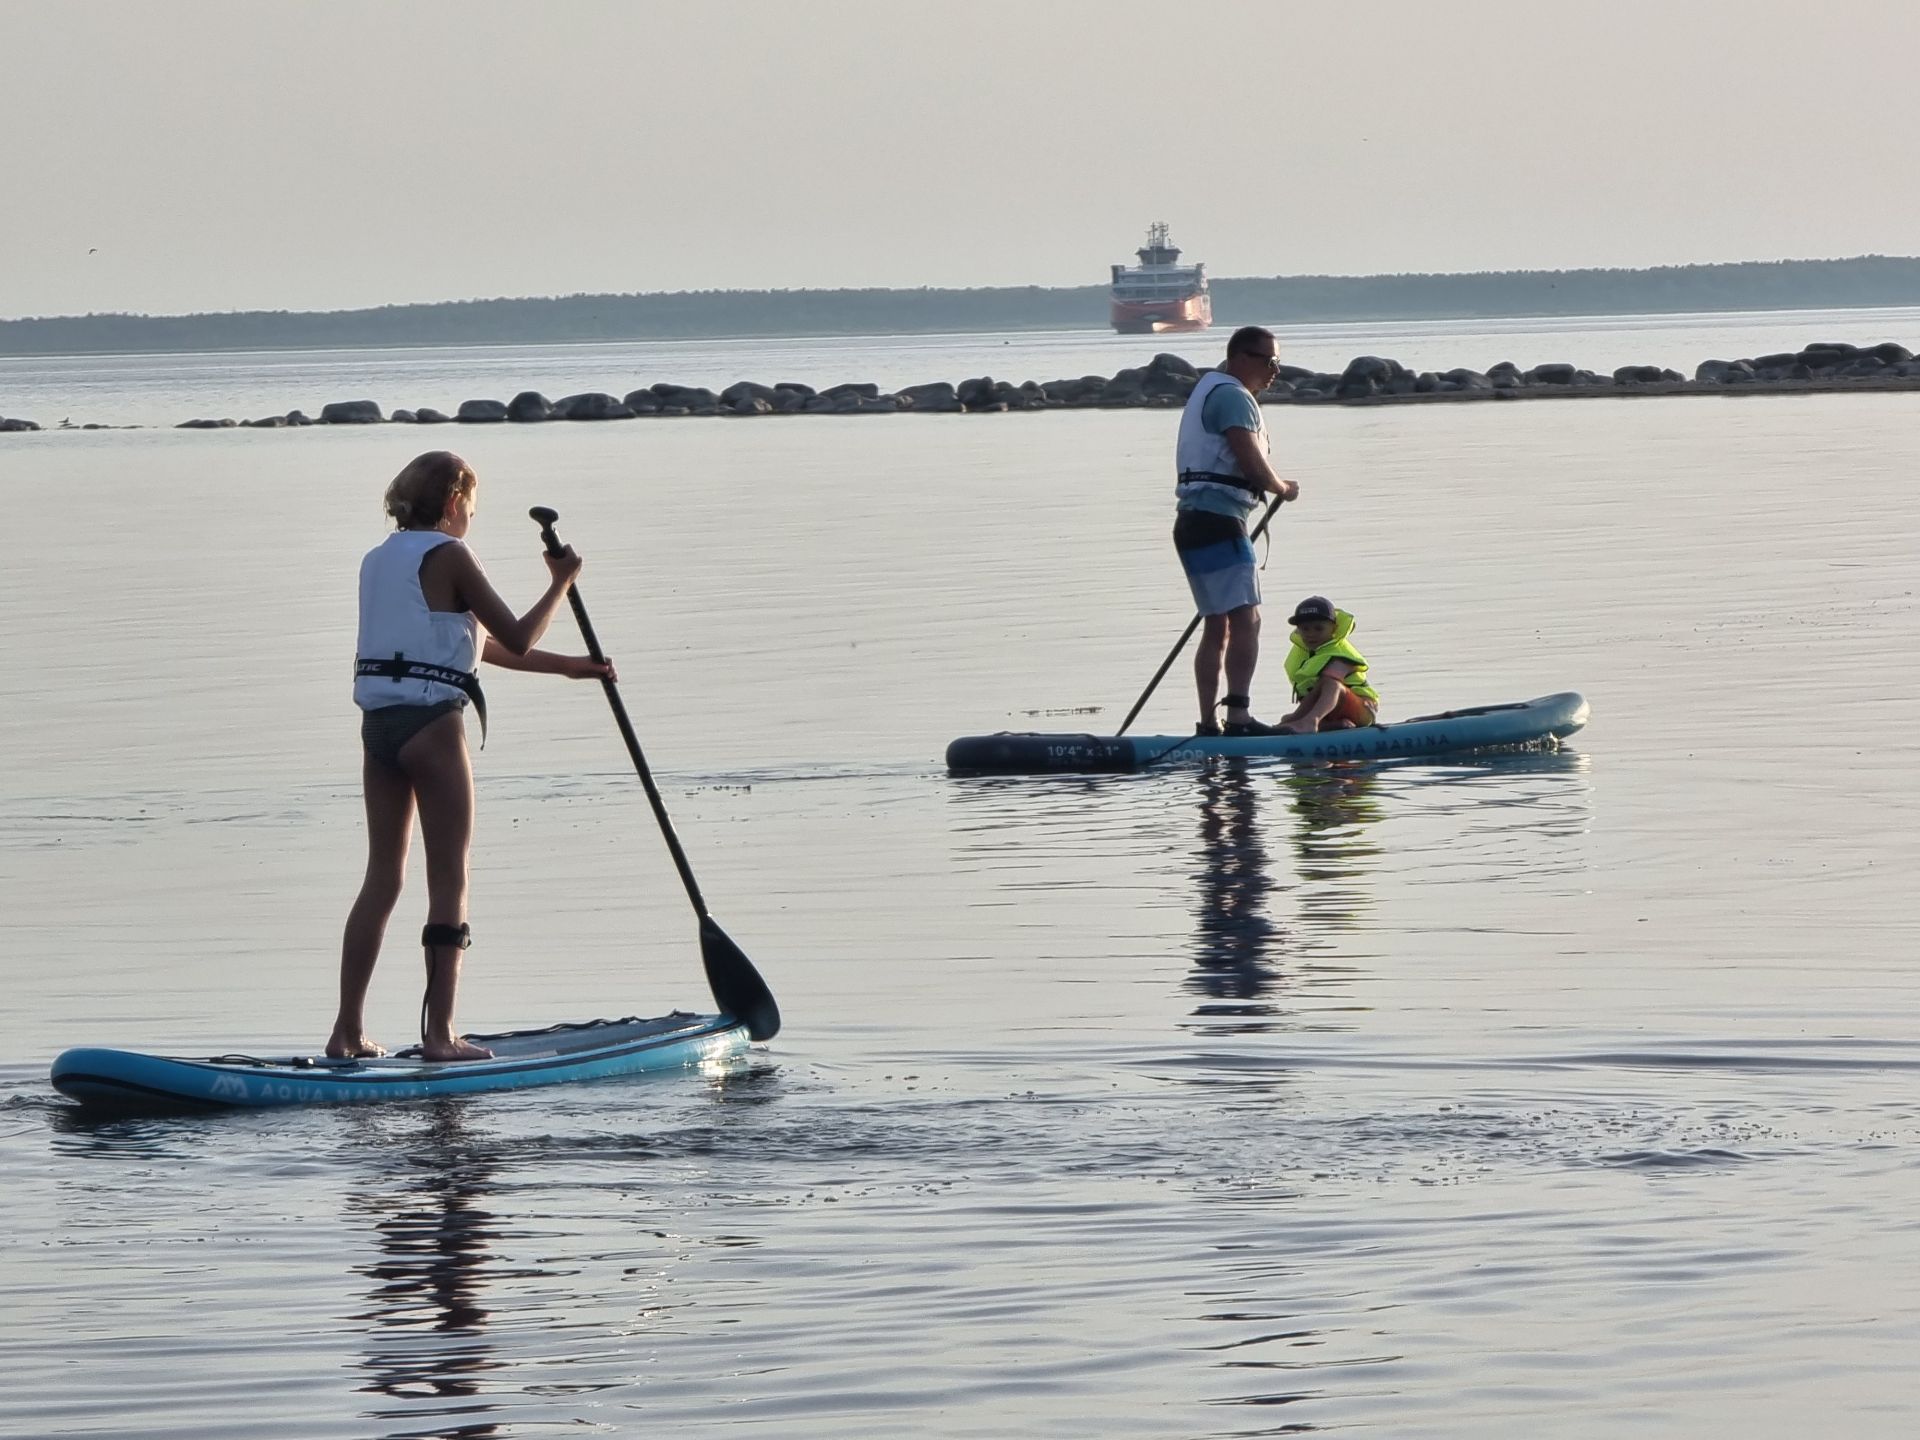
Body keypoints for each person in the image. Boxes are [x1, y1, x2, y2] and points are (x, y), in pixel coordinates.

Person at [328, 451, 613, 1062]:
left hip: (378, 729)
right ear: (455, 502)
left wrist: (572, 669)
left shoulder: (379, 559)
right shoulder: (450, 554)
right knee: (449, 877)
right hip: (431, 724)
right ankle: (440, 1036)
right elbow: (513, 635)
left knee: (383, 878)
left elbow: (472, 646)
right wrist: (562, 581)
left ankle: (346, 1032)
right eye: (472, 508)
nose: (470, 520)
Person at [1173, 325, 1300, 736]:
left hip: (1192, 523)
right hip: (1218, 521)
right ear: (1242, 357)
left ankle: (1209, 724)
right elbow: (1249, 461)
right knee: (1247, 620)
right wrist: (1282, 487)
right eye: (1270, 361)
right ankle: (1240, 718)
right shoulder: (1231, 396)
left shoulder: (1211, 389)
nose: (1276, 371)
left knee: (1217, 624)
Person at [1278, 595, 1380, 734]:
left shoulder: (1341, 654)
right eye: (1305, 629)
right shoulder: (1304, 654)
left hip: (1362, 710)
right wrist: (1292, 720)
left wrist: (1297, 717)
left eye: (1318, 628)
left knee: (1331, 683)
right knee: (1286, 719)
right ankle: (1334, 725)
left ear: (1333, 628)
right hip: (1330, 713)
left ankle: (1311, 721)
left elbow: (1328, 684)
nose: (1311, 634)